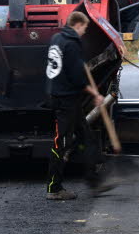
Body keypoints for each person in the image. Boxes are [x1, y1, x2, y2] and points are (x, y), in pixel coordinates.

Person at [45, 12, 115, 200]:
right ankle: (54, 189)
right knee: (61, 144)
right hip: (65, 100)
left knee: (87, 139)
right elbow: (76, 77)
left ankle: (94, 182)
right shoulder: (72, 43)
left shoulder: (57, 38)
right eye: (84, 27)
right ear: (77, 25)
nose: (85, 31)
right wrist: (95, 95)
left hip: (63, 97)